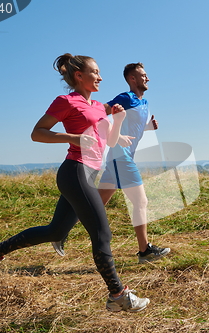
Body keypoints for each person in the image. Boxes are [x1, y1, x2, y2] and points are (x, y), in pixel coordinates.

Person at [0, 53, 150, 312]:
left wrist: (119, 121)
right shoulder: (66, 101)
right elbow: (37, 133)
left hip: (89, 173)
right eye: (96, 72)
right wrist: (74, 137)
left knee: (56, 232)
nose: (101, 77)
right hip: (74, 172)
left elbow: (109, 142)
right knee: (102, 234)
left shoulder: (99, 106)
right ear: (79, 76)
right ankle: (118, 295)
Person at [52, 63, 171, 264]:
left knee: (94, 205)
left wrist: (148, 127)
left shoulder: (144, 102)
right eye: (143, 75)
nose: (147, 78)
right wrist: (104, 135)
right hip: (120, 157)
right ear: (132, 79)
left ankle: (58, 232)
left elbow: (132, 127)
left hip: (121, 158)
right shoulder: (126, 97)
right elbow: (101, 114)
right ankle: (145, 251)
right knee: (141, 202)